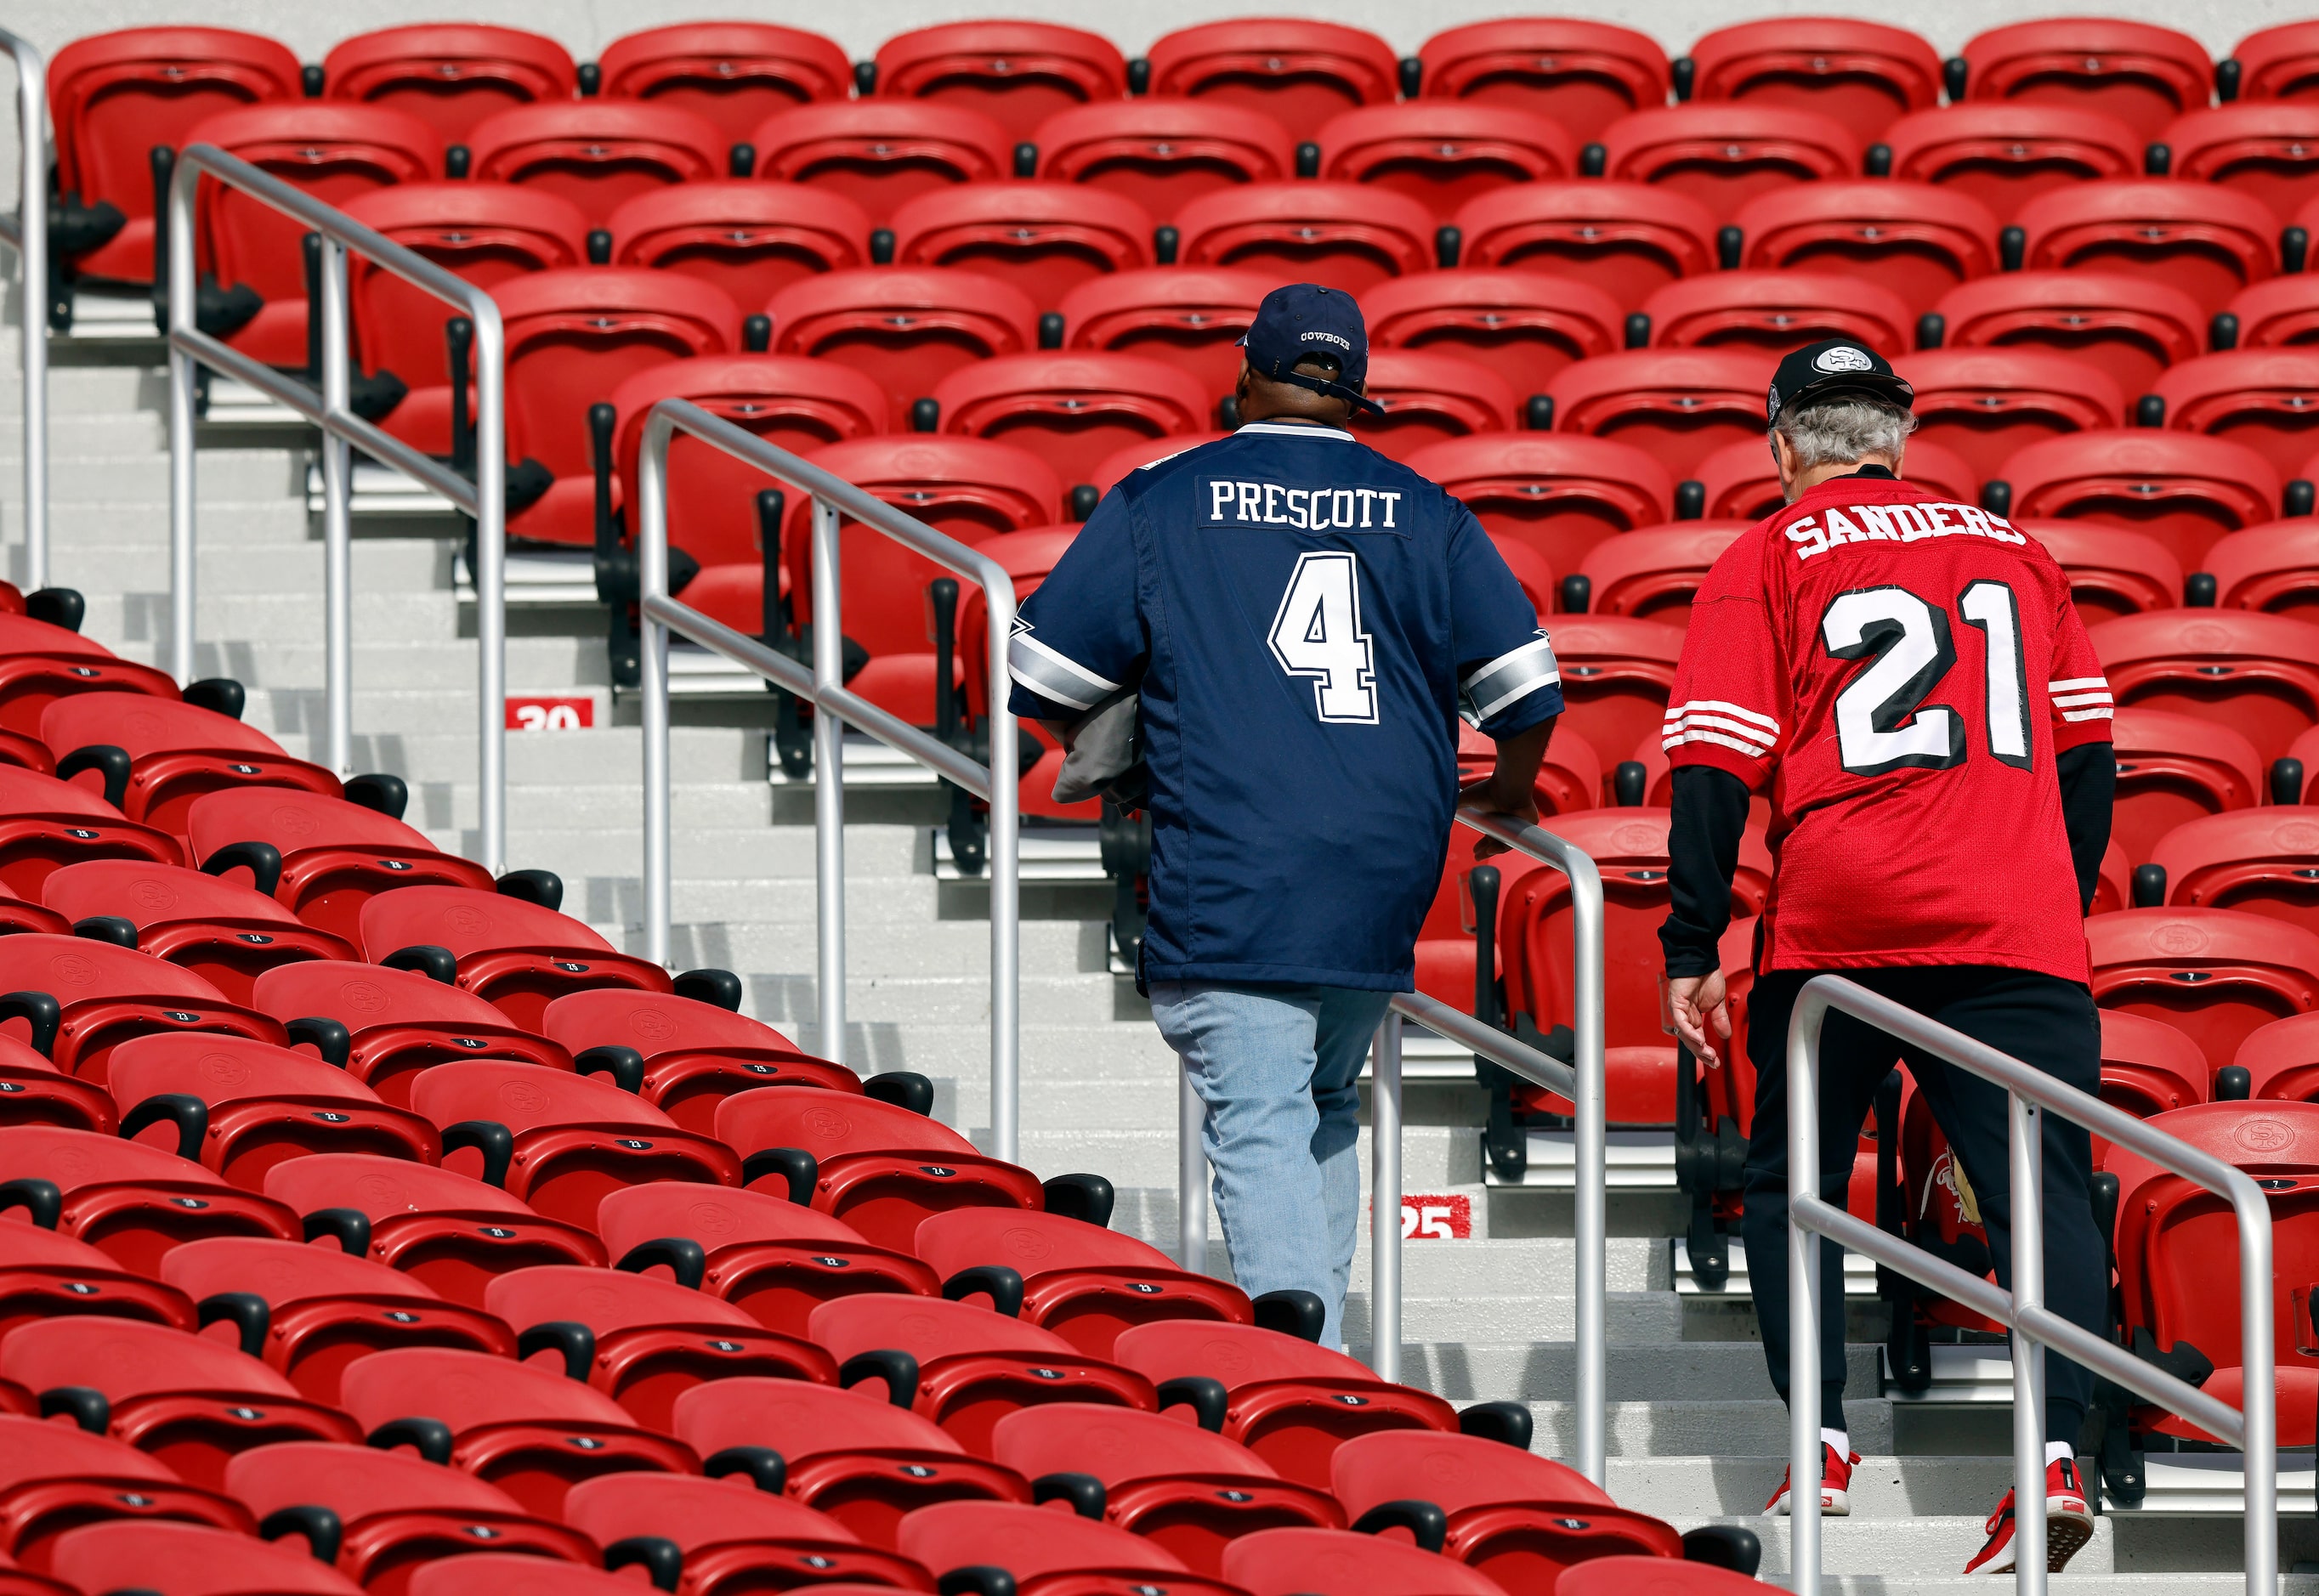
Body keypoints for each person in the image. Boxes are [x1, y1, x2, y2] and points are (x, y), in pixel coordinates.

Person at [1005, 283, 1562, 1352]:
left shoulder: (1164, 496)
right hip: (1384, 856)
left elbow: (1038, 673)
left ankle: (1306, 1375)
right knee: (1323, 1106)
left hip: (1238, 845)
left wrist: (1133, 743)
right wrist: (1506, 790)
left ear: (1244, 372)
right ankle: (1329, 1354)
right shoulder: (1422, 504)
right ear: (1353, 391)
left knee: (1260, 1119)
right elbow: (1528, 695)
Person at [1655, 339, 2114, 1575]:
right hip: (2014, 912)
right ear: (1899, 440)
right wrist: (2047, 897)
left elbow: (1713, 760)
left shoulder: (1765, 553)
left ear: (1780, 447)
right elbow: (2086, 758)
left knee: (1791, 1178)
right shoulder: (2019, 549)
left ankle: (1821, 1442)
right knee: (2046, 1193)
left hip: (1841, 910)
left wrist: (1691, 936)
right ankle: (2059, 1451)